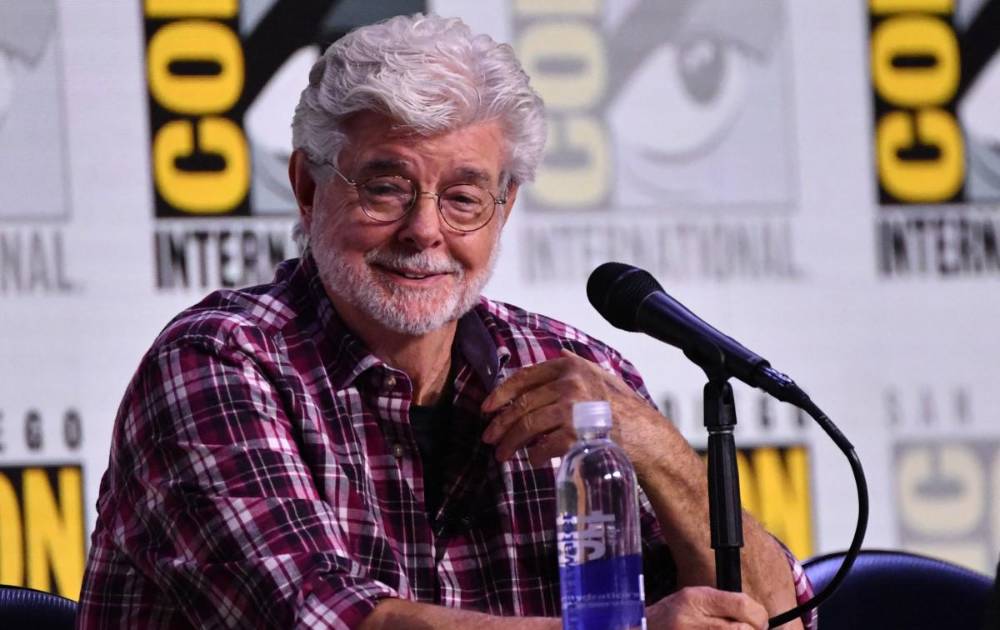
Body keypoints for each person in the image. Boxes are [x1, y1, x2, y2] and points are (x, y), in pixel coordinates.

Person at [78, 14, 814, 629]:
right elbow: (326, 620)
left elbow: (780, 616)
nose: (425, 231)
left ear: (505, 209)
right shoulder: (218, 363)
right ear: (306, 187)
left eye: (463, 198)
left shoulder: (573, 371)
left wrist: (653, 447)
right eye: (386, 187)